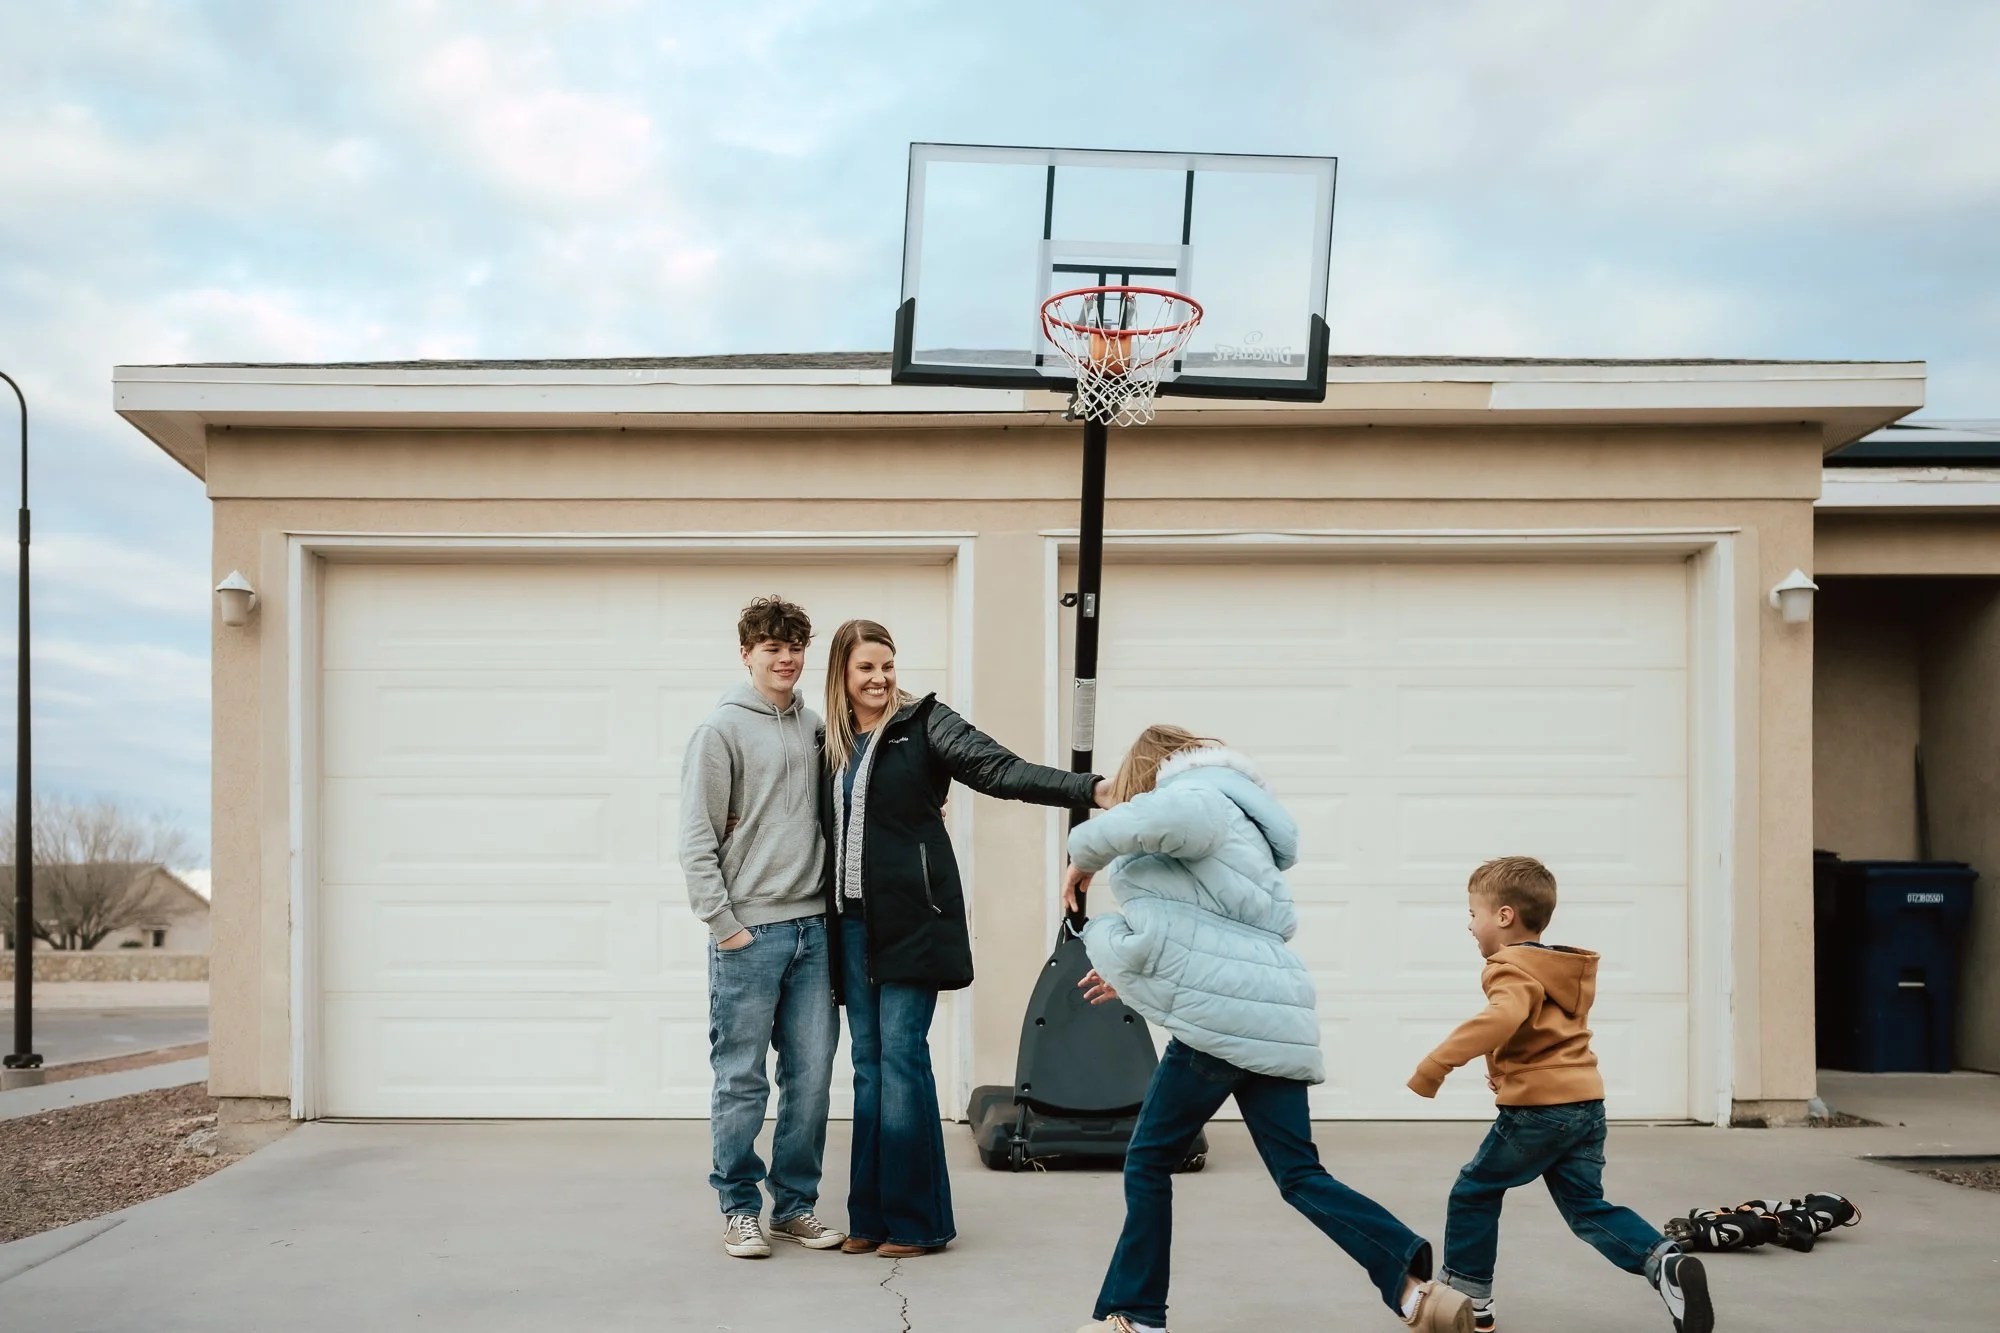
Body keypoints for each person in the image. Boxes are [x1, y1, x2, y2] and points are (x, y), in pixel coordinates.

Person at [1067, 725, 1475, 1333]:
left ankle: (1136, 1314)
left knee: (1148, 1162)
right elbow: (1194, 931)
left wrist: (1081, 864)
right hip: (1270, 1013)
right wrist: (1126, 972)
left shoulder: (1196, 799)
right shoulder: (1238, 820)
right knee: (1299, 1173)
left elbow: (1155, 848)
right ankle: (1413, 1290)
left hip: (1219, 1026)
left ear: (1150, 775)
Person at [820, 618, 1113, 1259]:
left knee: (900, 1060)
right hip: (851, 925)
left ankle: (917, 1222)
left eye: (887, 665)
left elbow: (999, 769)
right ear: (842, 673)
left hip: (914, 921)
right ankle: (868, 1218)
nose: (879, 678)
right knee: (867, 1069)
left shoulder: (927, 722)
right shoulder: (833, 743)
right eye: (865, 667)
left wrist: (1089, 790)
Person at [1406, 856, 1714, 1333]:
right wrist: (1509, 1072)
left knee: (1474, 1192)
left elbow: (1501, 1018)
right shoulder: (1555, 968)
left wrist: (1436, 1065)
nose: (1469, 925)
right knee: (1587, 1207)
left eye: (1473, 913)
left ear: (1503, 916)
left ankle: (1469, 1299)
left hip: (1540, 1113)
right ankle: (1664, 1262)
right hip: (1586, 1105)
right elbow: (1540, 1034)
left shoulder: (1507, 968)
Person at [678, 595, 845, 1260]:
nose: (786, 657)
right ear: (746, 653)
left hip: (813, 931)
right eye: (771, 646)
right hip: (750, 933)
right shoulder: (720, 730)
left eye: (794, 645)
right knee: (741, 1078)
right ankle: (740, 1208)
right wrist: (725, 926)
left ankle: (795, 1206)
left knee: (810, 1079)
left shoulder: (816, 727)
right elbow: (695, 838)